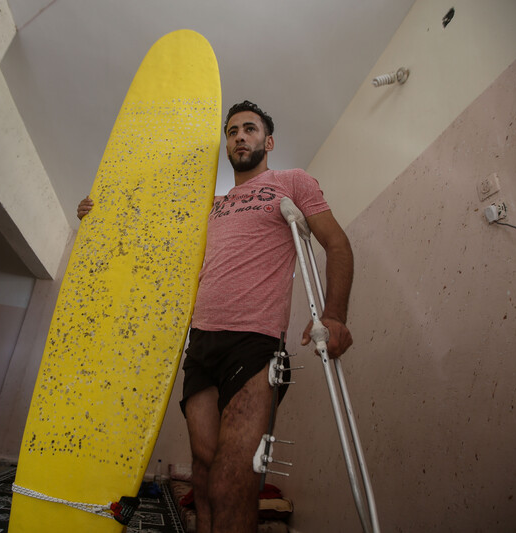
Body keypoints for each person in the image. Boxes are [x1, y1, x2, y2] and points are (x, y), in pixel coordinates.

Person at [79, 101, 353, 533]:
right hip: (201, 343)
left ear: (269, 141)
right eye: (232, 132)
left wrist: (335, 316)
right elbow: (149, 227)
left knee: (233, 476)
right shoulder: (212, 204)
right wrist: (101, 215)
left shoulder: (290, 182)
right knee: (204, 472)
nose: (240, 136)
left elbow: (336, 244)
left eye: (250, 129)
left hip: (255, 342)